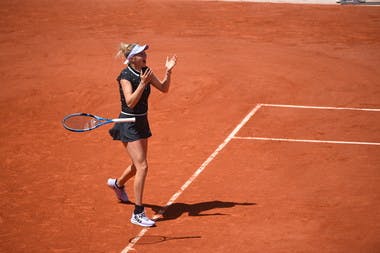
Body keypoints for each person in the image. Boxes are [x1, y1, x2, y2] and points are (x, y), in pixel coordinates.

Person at [107, 42, 177, 227]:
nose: (145, 55)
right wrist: (143, 84)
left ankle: (118, 184)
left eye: (145, 53)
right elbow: (130, 102)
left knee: (136, 164)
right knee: (143, 166)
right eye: (140, 53)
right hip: (128, 123)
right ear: (131, 59)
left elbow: (164, 88)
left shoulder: (146, 70)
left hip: (142, 121)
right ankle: (137, 213)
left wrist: (168, 71)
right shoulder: (125, 76)